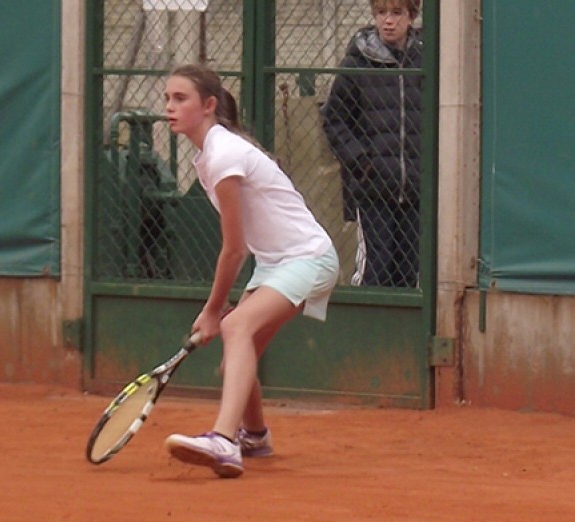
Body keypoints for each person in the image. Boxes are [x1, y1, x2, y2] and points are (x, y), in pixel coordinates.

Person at [161, 64, 340, 478]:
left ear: (209, 105)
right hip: (276, 262)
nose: (169, 107)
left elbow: (234, 249)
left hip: (307, 257)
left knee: (235, 326)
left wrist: (213, 310)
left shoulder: (224, 154)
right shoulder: (209, 155)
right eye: (167, 98)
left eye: (180, 98)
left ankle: (224, 441)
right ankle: (255, 435)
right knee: (236, 360)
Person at [321, 0, 423, 287]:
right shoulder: (357, 64)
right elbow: (334, 119)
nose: (388, 21)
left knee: (409, 270)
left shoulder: (426, 61)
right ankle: (365, 314)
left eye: (396, 13)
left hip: (416, 188)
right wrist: (361, 163)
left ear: (411, 16)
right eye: (381, 13)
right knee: (375, 268)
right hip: (373, 188)